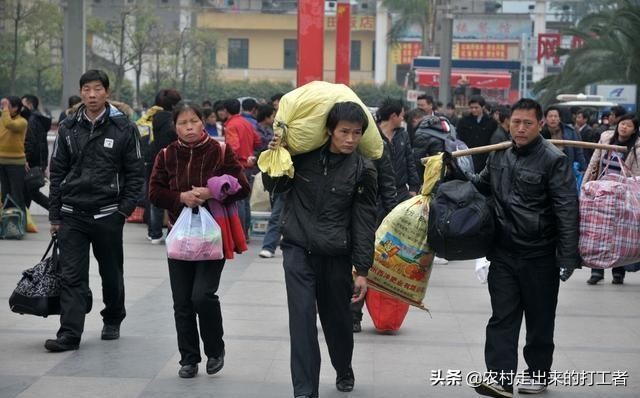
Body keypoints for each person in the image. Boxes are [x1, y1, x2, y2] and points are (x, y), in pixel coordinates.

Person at [464, 98, 580, 398]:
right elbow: (482, 185)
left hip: (540, 255)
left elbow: (567, 210)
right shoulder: (499, 156)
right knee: (502, 317)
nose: (521, 128)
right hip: (502, 253)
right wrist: (454, 172)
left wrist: (567, 256)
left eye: (528, 123)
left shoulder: (554, 160)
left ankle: (538, 374)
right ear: (508, 123)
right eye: (516, 122)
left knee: (539, 319)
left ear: (540, 124)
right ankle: (500, 379)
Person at [263, 101, 377, 398]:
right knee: (301, 321)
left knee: (337, 321)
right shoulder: (303, 158)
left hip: (336, 256)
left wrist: (362, 270)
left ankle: (344, 367)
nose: (351, 139)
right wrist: (276, 152)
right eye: (344, 132)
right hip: (298, 249)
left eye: (357, 133)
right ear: (329, 131)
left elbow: (364, 222)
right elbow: (273, 185)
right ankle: (304, 391)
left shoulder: (363, 169)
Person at [45, 69, 144, 352]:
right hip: (72, 213)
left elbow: (136, 174)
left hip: (108, 214)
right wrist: (54, 215)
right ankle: (69, 334)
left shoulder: (124, 127)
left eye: (97, 89)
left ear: (107, 92)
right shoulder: (68, 126)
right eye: (86, 89)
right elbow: (57, 172)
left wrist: (122, 212)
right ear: (81, 92)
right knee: (72, 275)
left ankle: (112, 317)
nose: (91, 95)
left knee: (111, 273)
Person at [149, 102, 249, 378]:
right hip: (179, 236)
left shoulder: (220, 151)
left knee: (201, 296)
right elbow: (154, 192)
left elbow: (243, 188)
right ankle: (188, 359)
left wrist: (211, 191)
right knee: (181, 301)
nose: (189, 127)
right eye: (183, 122)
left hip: (212, 234)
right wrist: (180, 197)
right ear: (175, 127)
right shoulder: (166, 155)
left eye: (193, 121)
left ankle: (215, 349)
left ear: (203, 123)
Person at [582, 114, 640, 285]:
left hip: (622, 194)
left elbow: (637, 174)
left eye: (628, 125)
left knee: (618, 232)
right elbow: (594, 162)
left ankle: (618, 270)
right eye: (622, 124)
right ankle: (596, 270)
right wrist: (586, 184)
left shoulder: (637, 147)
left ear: (634, 129)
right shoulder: (606, 138)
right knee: (597, 230)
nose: (624, 128)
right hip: (600, 192)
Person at [145, 89, 182, 244]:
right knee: (174, 197)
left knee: (156, 196)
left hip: (156, 159)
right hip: (173, 160)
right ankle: (173, 232)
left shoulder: (156, 117)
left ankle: (154, 233)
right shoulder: (174, 119)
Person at [223, 98, 261, 240]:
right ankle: (245, 233)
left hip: (238, 166)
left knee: (238, 201)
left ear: (225, 111)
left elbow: (233, 148)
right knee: (245, 201)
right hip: (249, 166)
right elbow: (257, 141)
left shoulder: (231, 125)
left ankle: (239, 234)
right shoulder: (247, 123)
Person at [376, 98, 420, 202]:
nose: (402, 119)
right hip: (378, 192)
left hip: (401, 191)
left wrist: (413, 188)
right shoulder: (374, 135)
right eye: (401, 116)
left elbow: (410, 162)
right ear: (393, 116)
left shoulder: (403, 135)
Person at [21, 94, 51, 211]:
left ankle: (58, 213)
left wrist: (26, 159)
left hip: (31, 162)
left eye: (22, 104)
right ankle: (24, 217)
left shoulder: (32, 120)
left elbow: (30, 141)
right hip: (37, 161)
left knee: (30, 192)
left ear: (29, 104)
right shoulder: (39, 119)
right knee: (29, 191)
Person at [0, 96, 29, 210]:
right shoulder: (3, 119)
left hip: (16, 164)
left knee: (17, 195)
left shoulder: (22, 122)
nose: (4, 108)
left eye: (8, 106)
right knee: (5, 195)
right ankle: (8, 224)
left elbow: (9, 124)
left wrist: (5, 109)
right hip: (1, 162)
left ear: (16, 108)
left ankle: (20, 224)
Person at [456, 95, 498, 172]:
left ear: (483, 107)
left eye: (476, 107)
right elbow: (459, 138)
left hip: (484, 157)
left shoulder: (491, 122)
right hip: (468, 155)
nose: (474, 110)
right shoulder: (464, 121)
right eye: (471, 108)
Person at [541, 106, 587, 171]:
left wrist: (584, 169)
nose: (553, 119)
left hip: (566, 168)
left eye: (555, 116)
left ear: (559, 118)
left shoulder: (570, 131)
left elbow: (579, 152)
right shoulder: (540, 133)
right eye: (550, 116)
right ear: (545, 119)